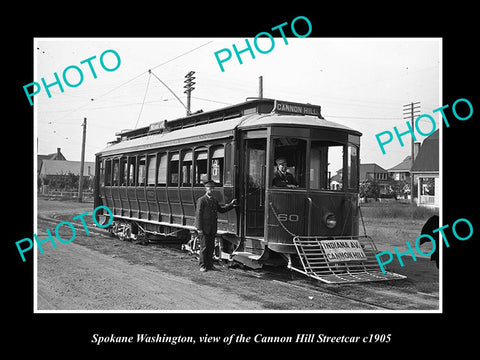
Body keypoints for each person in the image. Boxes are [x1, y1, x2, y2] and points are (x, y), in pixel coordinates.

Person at [195, 180, 237, 272]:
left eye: (213, 188)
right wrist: (199, 228)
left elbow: (221, 210)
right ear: (206, 189)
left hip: (212, 228)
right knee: (204, 247)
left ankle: (210, 265)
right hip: (204, 229)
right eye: (210, 188)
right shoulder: (201, 200)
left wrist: (231, 205)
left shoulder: (214, 201)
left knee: (210, 247)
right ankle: (202, 265)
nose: (212, 190)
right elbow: (198, 215)